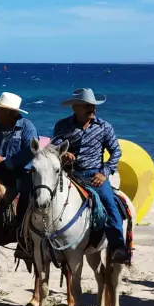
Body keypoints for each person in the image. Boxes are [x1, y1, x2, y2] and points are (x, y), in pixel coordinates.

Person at [50, 88, 128, 263]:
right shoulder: (62, 125)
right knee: (44, 199)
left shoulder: (104, 127)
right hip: (69, 174)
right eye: (87, 105)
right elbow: (52, 148)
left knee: (109, 204)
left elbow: (115, 152)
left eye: (93, 105)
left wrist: (104, 173)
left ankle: (118, 247)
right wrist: (63, 154)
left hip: (95, 175)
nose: (92, 108)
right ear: (75, 108)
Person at [0, 92, 39, 224]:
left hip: (20, 174)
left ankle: (20, 229)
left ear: (10, 113)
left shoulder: (26, 127)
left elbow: (31, 151)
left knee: (25, 201)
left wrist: (6, 161)